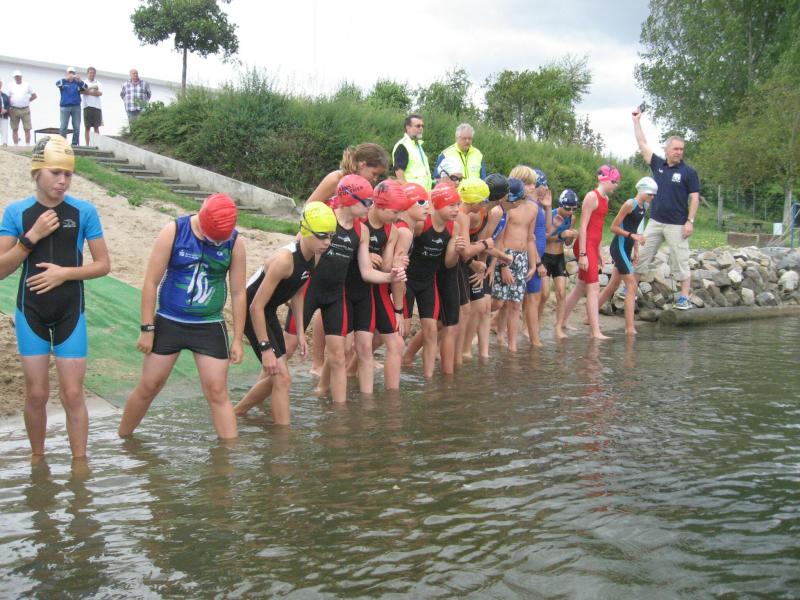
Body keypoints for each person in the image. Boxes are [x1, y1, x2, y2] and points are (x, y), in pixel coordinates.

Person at [0, 135, 110, 458]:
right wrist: (31, 237)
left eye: (68, 174)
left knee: (73, 394)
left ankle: (79, 466)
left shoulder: (83, 211)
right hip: (31, 311)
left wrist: (63, 274)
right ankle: (38, 461)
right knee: (36, 394)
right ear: (37, 172)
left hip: (70, 312)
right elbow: (2, 269)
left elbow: (103, 265)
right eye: (55, 173)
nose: (63, 181)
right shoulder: (16, 212)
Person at [118, 193, 246, 440]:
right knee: (149, 386)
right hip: (170, 321)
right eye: (212, 239)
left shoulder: (235, 243)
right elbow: (151, 282)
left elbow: (239, 293)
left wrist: (238, 339)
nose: (216, 243)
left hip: (209, 325)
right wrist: (147, 328)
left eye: (220, 240)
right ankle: (123, 439)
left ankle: (230, 456)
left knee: (217, 392)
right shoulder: (174, 231)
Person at [284, 175, 405, 403]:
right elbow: (295, 251)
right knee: (287, 349)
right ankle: (264, 390)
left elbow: (366, 272)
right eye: (367, 202)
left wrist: (390, 276)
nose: (370, 206)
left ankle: (342, 414)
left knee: (339, 356)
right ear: (350, 199)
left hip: (335, 296)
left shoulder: (361, 231)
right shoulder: (324, 218)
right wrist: (287, 288)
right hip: (309, 291)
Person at [233, 202, 337, 424]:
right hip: (251, 312)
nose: (327, 242)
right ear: (305, 231)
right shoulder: (284, 260)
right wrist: (265, 348)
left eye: (331, 236)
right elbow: (255, 307)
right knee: (282, 377)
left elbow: (297, 293)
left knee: (280, 377)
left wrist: (300, 333)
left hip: (267, 311)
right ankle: (282, 434)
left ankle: (238, 413)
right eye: (321, 236)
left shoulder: (315, 255)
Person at [304, 143, 389, 375]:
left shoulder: (363, 190)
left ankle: (340, 362)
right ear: (362, 164)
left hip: (347, 245)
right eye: (374, 173)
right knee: (324, 304)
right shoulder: (337, 179)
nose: (374, 180)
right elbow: (310, 206)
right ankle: (317, 362)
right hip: (325, 245)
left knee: (338, 304)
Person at [632, 106, 700, 310]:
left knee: (681, 261)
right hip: (655, 222)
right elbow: (642, 145)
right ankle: (630, 291)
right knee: (642, 256)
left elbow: (695, 198)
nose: (679, 152)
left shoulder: (688, 172)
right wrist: (636, 121)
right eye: (675, 149)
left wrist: (690, 221)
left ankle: (684, 298)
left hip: (677, 225)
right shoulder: (658, 165)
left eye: (681, 149)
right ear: (667, 149)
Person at [346, 179, 409, 393]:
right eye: (394, 212)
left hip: (377, 288)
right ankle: (325, 387)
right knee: (343, 348)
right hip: (350, 286)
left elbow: (386, 267)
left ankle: (393, 399)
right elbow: (338, 252)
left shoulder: (392, 231)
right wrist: (363, 254)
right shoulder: (358, 219)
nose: (398, 217)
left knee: (396, 343)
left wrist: (397, 264)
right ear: (379, 206)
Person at [403, 182, 463, 378]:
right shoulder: (422, 224)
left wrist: (457, 251)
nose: (456, 210)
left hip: (428, 283)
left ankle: (428, 378)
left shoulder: (454, 227)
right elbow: (403, 243)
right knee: (403, 331)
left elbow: (448, 263)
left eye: (458, 205)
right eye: (451, 205)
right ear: (437, 205)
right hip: (408, 282)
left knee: (430, 330)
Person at [557, 165, 621, 339]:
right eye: (614, 181)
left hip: (593, 246)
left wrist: (599, 251)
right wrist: (583, 254)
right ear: (604, 180)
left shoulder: (605, 198)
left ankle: (562, 321)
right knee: (593, 288)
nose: (616, 185)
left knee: (580, 287)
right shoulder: (592, 197)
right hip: (584, 246)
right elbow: (583, 226)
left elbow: (598, 227)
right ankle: (595, 331)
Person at [598, 177, 657, 335]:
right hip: (618, 248)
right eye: (650, 194)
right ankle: (629, 328)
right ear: (642, 190)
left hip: (627, 248)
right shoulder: (630, 204)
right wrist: (632, 236)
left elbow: (635, 228)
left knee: (613, 285)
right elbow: (613, 227)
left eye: (654, 195)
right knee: (631, 285)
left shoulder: (644, 206)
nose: (652, 197)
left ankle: (588, 316)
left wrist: (636, 249)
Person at [491, 166, 540, 352]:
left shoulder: (533, 208)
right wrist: (504, 265)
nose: (532, 187)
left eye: (533, 184)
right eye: (528, 184)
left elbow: (530, 238)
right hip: (505, 255)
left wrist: (533, 264)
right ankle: (477, 326)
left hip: (522, 258)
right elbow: (500, 238)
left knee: (515, 304)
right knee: (498, 301)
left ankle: (512, 347)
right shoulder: (509, 207)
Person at [523, 168, 552, 347]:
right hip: (532, 259)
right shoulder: (529, 206)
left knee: (533, 297)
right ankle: (535, 341)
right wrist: (538, 263)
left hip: (536, 257)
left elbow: (547, 229)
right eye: (544, 184)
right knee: (532, 297)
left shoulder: (537, 206)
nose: (546, 188)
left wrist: (548, 207)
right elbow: (529, 237)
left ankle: (531, 334)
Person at [545, 189, 580, 339]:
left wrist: (571, 235)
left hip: (559, 257)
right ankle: (532, 325)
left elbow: (567, 243)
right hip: (545, 256)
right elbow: (544, 238)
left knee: (561, 293)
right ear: (560, 205)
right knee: (544, 295)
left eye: (574, 209)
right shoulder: (550, 215)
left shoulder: (571, 218)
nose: (570, 212)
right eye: (568, 208)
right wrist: (560, 234)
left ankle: (559, 327)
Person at [393, 114, 432, 191]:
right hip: (412, 195)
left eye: (422, 126)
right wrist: (410, 193)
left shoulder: (418, 145)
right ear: (408, 128)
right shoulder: (403, 146)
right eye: (418, 126)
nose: (421, 128)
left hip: (424, 193)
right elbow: (400, 176)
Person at [56, 67, 87, 146]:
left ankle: (74, 144)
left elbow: (85, 87)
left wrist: (80, 80)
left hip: (76, 107)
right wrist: (66, 79)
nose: (71, 74)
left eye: (73, 73)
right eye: (70, 72)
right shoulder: (63, 81)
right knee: (63, 126)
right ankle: (62, 143)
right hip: (64, 107)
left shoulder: (77, 83)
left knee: (76, 127)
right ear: (67, 73)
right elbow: (57, 84)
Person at [8, 70, 37, 145]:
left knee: (27, 128)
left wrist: (27, 101)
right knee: (14, 128)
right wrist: (9, 108)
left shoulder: (27, 85)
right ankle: (16, 145)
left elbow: (34, 96)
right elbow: (8, 97)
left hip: (25, 109)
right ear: (14, 78)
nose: (17, 78)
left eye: (18, 76)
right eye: (16, 77)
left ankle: (27, 145)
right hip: (14, 109)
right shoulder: (10, 85)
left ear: (21, 77)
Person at [82, 67, 103, 146]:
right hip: (87, 106)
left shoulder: (98, 83)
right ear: (87, 73)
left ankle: (97, 145)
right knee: (87, 127)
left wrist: (88, 91)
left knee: (96, 127)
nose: (92, 74)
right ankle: (87, 145)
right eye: (90, 72)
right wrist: (93, 91)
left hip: (97, 107)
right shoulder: (84, 83)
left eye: (93, 73)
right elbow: (82, 92)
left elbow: (99, 93)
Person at [0, 80, 9, 146]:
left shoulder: (5, 95)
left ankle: (4, 143)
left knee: (5, 130)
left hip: (4, 115)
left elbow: (9, 104)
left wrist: (6, 110)